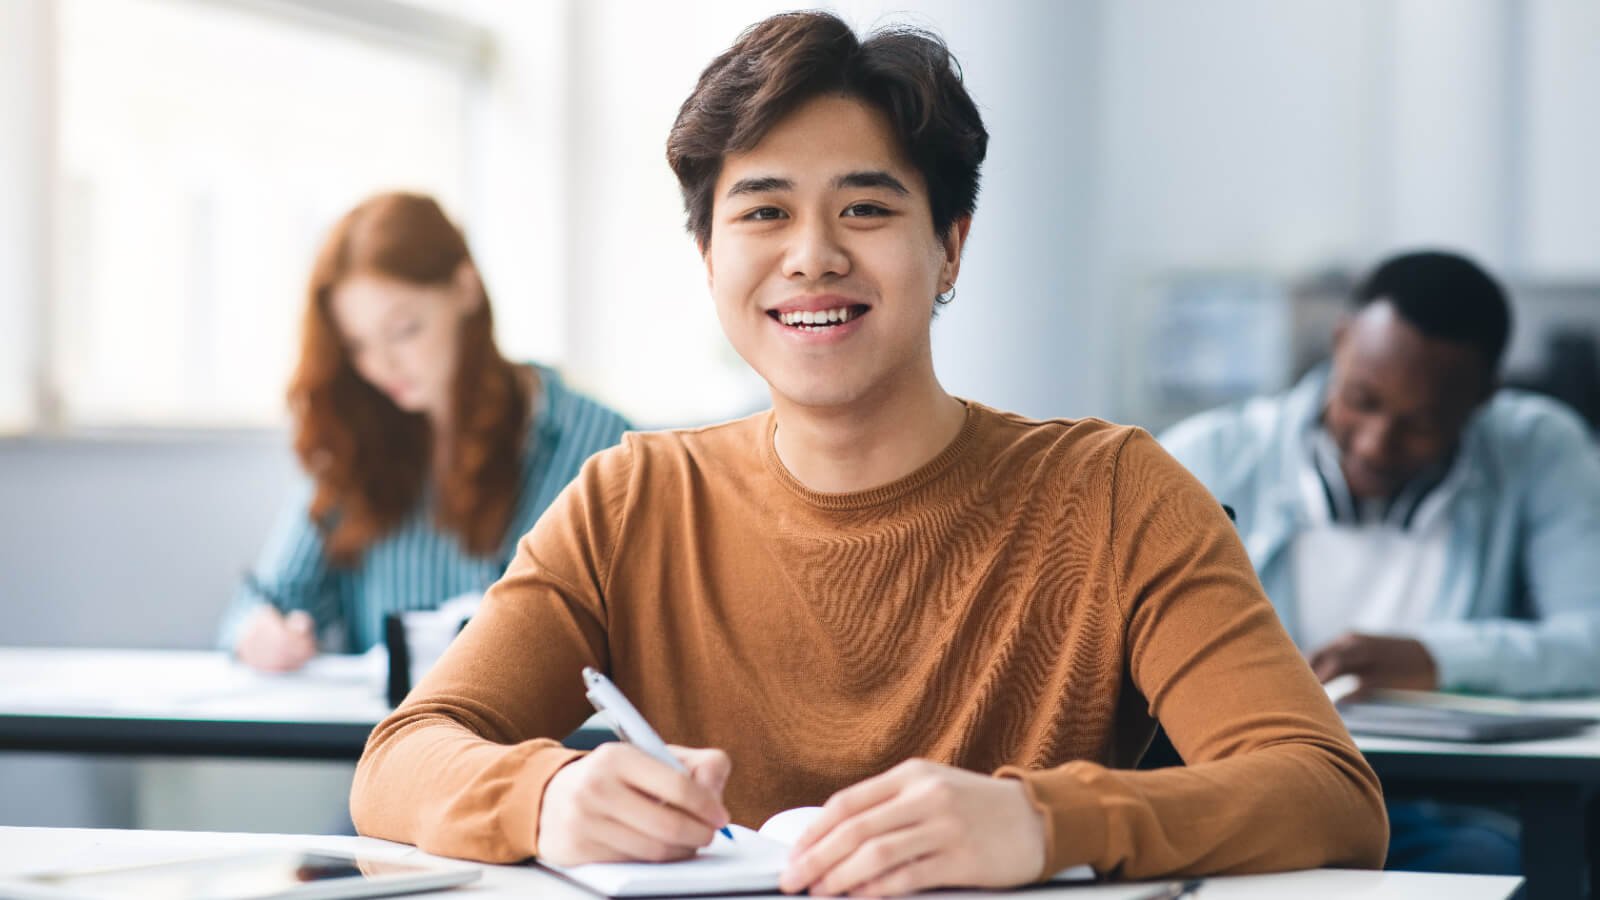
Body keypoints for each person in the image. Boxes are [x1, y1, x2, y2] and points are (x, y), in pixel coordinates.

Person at [350, 13, 1386, 893]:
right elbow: (398, 762)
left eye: (866, 208)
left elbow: (1326, 793)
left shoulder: (1114, 492)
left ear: (950, 247)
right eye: (761, 211)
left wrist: (1042, 824)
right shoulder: (632, 499)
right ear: (709, 257)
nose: (812, 255)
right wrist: (549, 794)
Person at [1161, 249, 1600, 874]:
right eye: (1361, 400)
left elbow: (1591, 638)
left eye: (1420, 425)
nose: (1374, 444)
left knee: (1495, 863)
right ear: (1340, 343)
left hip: (1432, 807)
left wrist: (1435, 657)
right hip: (1245, 795)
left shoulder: (1539, 451)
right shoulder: (1208, 454)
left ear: (1482, 399)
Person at [219, 192, 631, 672]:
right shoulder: (354, 443)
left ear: (466, 289)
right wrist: (261, 634)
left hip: (553, 745)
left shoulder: (599, 441)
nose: (382, 365)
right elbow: (262, 605)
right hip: (396, 743)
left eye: (404, 330)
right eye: (357, 346)